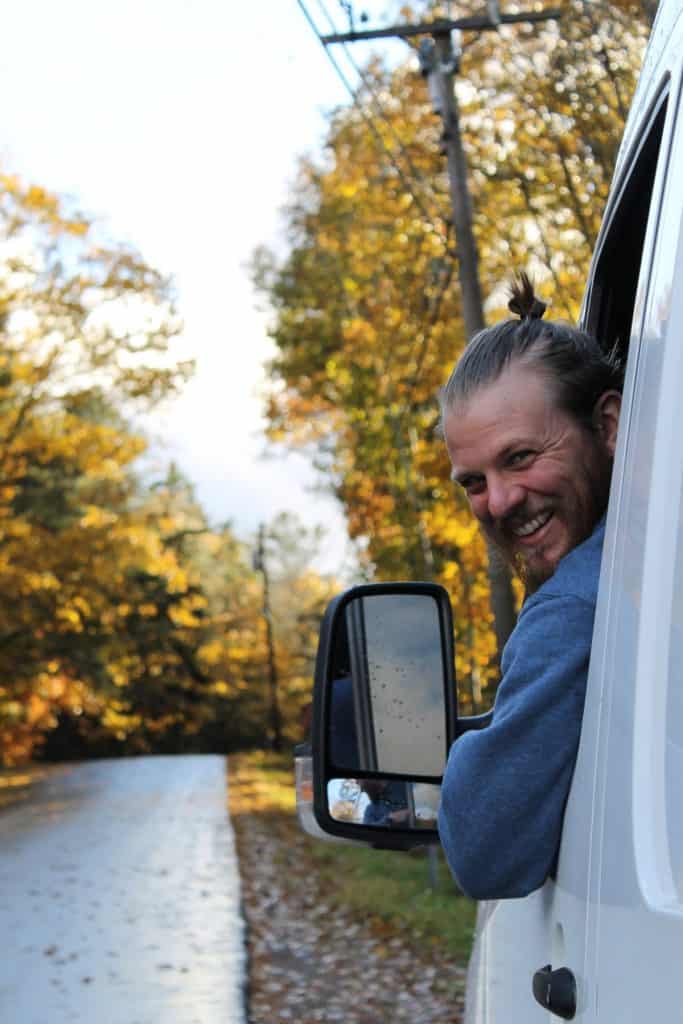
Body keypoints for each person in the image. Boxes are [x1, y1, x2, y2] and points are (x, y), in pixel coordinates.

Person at [436, 272, 622, 900]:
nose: (499, 502)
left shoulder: (573, 608)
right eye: (473, 483)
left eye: (520, 457)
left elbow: (487, 856)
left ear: (609, 425)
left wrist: (464, 753)